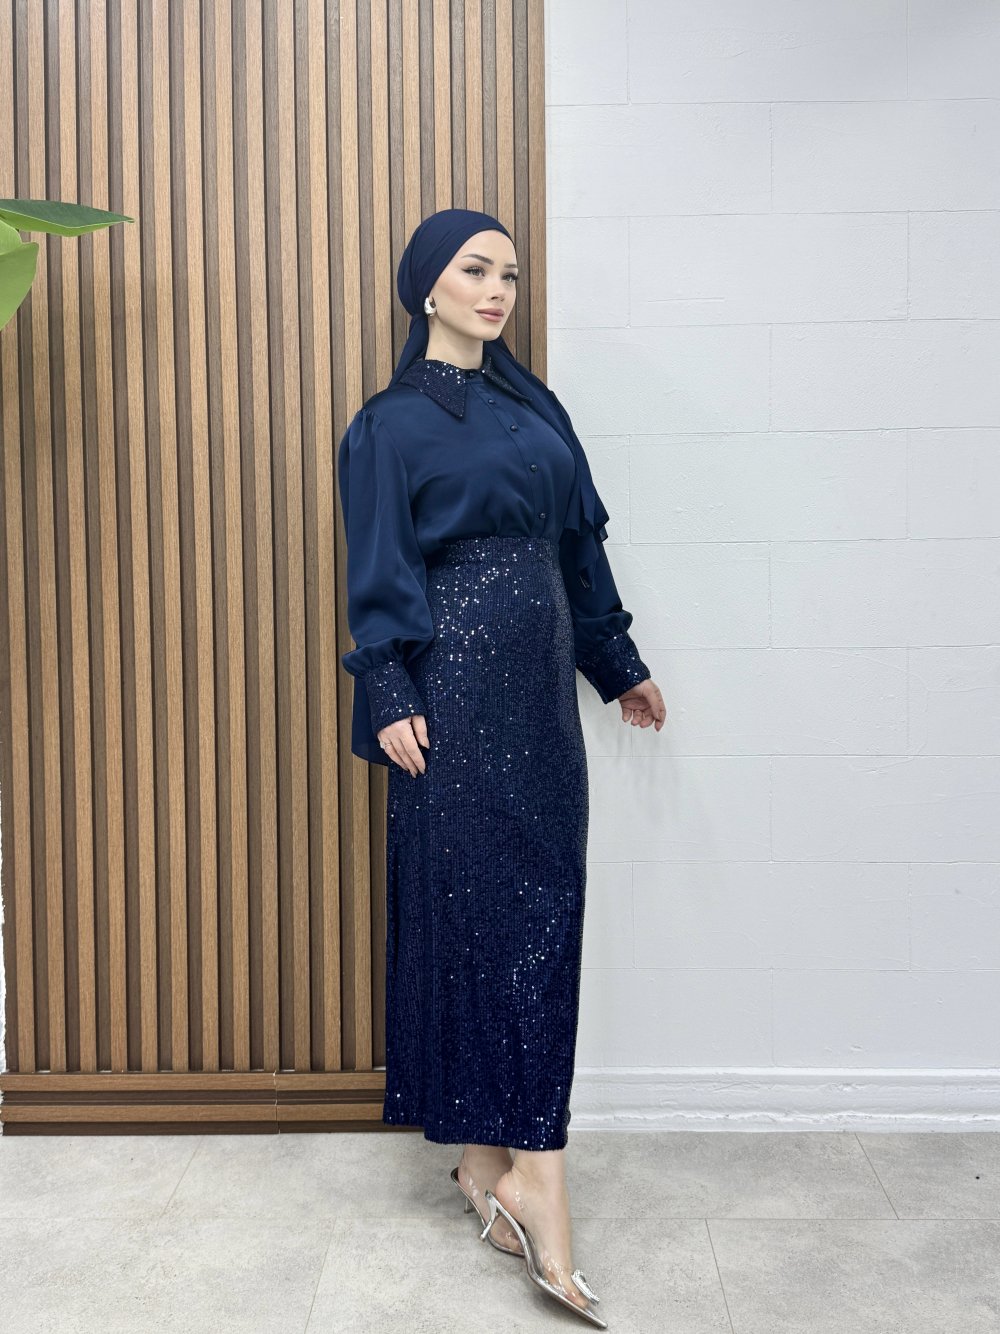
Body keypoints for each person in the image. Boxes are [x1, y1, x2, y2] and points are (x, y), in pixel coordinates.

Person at [337, 208, 667, 1326]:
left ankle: (487, 1166)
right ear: (426, 286)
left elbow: (580, 549)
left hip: (539, 695)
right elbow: (378, 568)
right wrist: (389, 690)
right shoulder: (387, 424)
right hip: (454, 691)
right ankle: (537, 1180)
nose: (496, 288)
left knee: (540, 912)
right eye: (475, 269)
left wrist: (617, 664)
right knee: (480, 915)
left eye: (510, 274)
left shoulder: (536, 409)